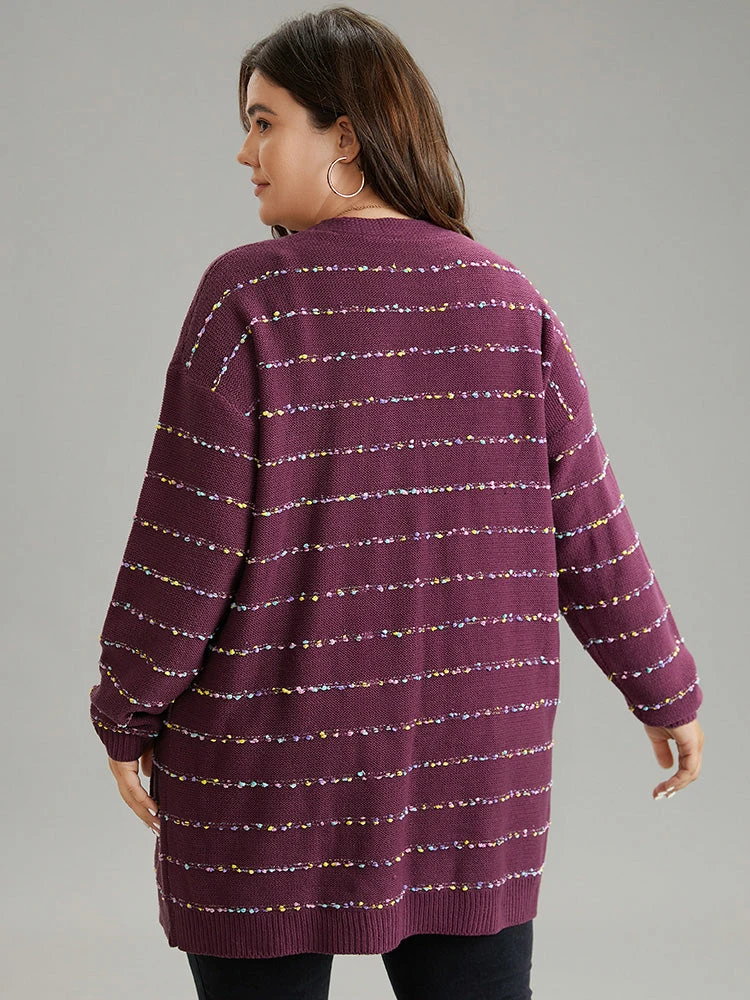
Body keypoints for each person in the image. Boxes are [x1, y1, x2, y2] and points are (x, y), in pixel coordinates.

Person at [88, 5, 704, 998]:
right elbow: (590, 529)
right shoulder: (509, 299)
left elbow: (182, 550)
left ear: (344, 136)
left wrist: (126, 710)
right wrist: (664, 686)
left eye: (263, 122)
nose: (244, 152)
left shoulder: (247, 301)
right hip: (470, 769)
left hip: (271, 774)